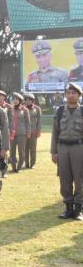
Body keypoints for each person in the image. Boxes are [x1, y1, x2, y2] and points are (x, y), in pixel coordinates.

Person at [51, 82, 83, 220]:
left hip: (79, 148)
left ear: (79, 95)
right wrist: (54, 152)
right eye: (69, 93)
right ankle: (68, 208)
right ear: (65, 95)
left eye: (74, 93)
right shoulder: (59, 111)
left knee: (80, 179)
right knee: (64, 179)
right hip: (62, 148)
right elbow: (55, 132)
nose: (71, 95)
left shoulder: (82, 111)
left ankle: (79, 209)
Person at [8, 92, 31, 173]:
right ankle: (13, 168)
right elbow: (8, 121)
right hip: (12, 133)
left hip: (22, 133)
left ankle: (19, 167)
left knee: (21, 151)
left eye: (17, 99)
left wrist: (28, 133)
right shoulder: (10, 109)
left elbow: (28, 123)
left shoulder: (25, 110)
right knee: (12, 152)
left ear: (20, 101)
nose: (15, 101)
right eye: (14, 99)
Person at [24, 93, 41, 169]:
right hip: (24, 131)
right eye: (26, 100)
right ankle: (26, 163)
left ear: (32, 101)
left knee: (33, 148)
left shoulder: (37, 108)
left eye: (29, 100)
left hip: (33, 132)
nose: (28, 101)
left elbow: (39, 121)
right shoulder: (23, 108)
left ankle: (32, 164)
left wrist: (38, 131)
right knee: (25, 148)